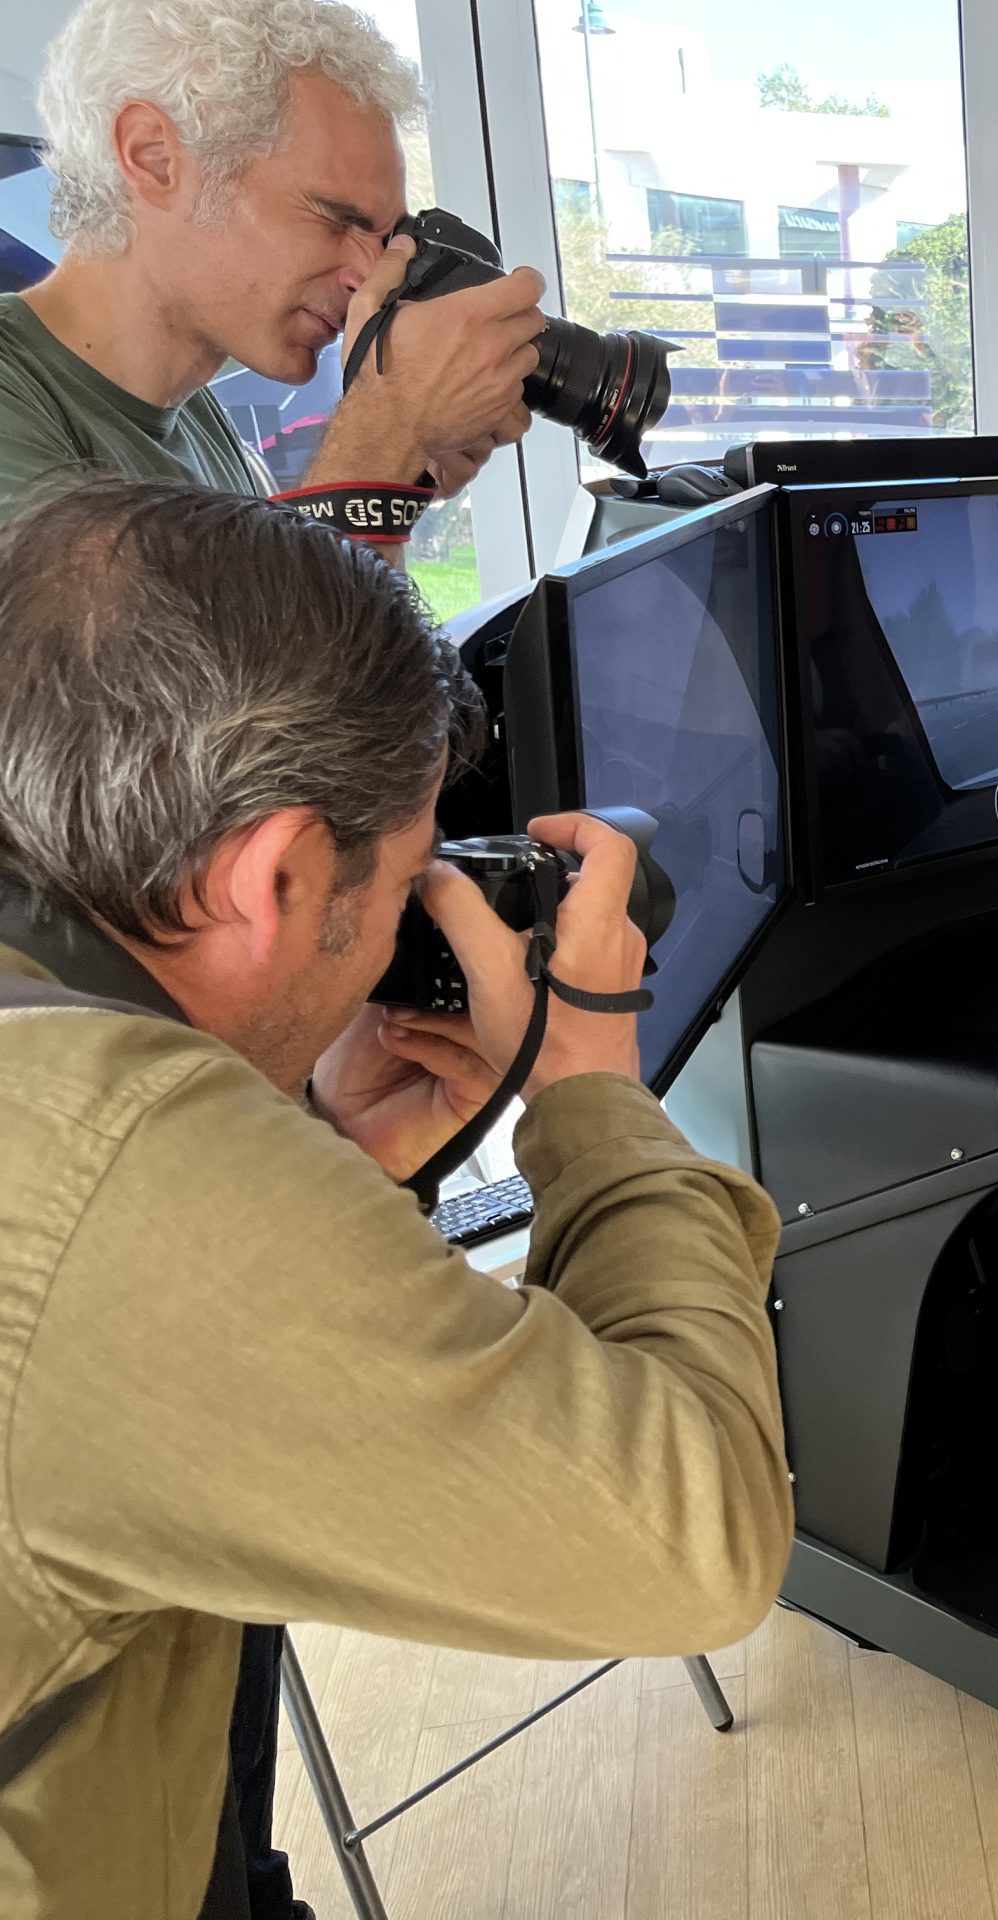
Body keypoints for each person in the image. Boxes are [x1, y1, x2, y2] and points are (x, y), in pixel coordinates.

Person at [0, 479, 792, 1920]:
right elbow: (703, 1539)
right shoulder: (118, 1172)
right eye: (410, 878)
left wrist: (315, 1161)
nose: (406, 930)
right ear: (276, 875)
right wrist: (588, 1086)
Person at [0, 0, 547, 560]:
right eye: (335, 219)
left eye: (384, 239)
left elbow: (296, 613)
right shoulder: (15, 401)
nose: (368, 277)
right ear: (154, 157)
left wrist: (398, 475)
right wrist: (383, 437)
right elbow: (296, 625)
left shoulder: (192, 415)